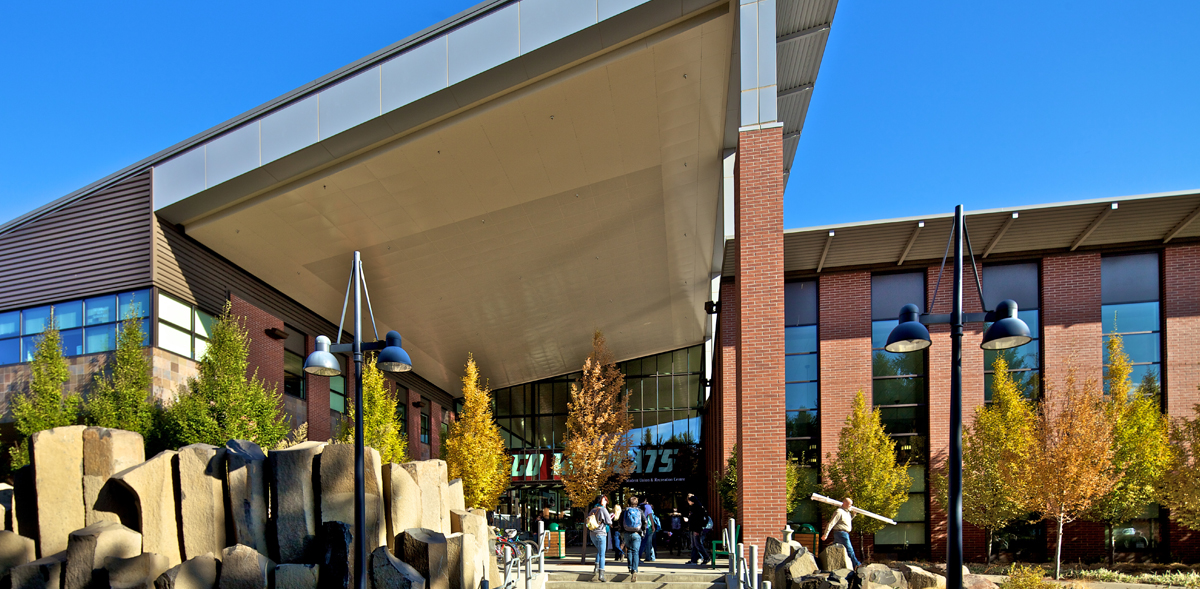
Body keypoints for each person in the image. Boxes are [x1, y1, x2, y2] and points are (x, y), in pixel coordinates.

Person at [821, 497, 861, 569]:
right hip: (841, 533)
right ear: (844, 503)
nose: (850, 506)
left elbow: (845, 521)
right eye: (849, 504)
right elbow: (831, 523)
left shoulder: (847, 512)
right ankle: (856, 564)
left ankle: (830, 564)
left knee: (835, 549)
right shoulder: (839, 512)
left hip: (843, 533)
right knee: (849, 549)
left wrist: (853, 515)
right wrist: (825, 534)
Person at [588, 495, 613, 582]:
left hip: (592, 534)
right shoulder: (603, 509)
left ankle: (596, 567)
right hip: (601, 533)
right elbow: (609, 522)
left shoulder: (592, 510)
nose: (606, 502)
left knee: (599, 550)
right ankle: (601, 574)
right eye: (605, 500)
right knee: (602, 553)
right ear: (601, 501)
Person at [620, 496, 646, 581]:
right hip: (636, 533)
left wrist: (621, 532)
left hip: (627, 533)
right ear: (636, 503)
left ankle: (630, 567)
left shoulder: (625, 511)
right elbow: (644, 521)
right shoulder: (640, 511)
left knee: (629, 551)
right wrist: (643, 531)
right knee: (636, 551)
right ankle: (635, 569)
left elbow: (620, 521)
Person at [685, 494, 712, 565]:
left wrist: (697, 529)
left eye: (689, 501)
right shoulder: (696, 507)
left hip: (696, 529)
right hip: (694, 528)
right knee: (694, 544)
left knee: (697, 544)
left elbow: (698, 520)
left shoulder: (697, 508)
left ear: (692, 501)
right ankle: (694, 559)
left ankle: (706, 557)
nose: (688, 502)